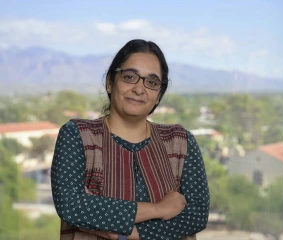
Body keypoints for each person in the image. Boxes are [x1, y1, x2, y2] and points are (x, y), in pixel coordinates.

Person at [51, 39, 210, 240]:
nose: (139, 89)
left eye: (152, 82)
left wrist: (129, 235)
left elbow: (196, 216)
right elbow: (72, 206)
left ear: (159, 94)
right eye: (130, 77)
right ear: (110, 82)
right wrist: (158, 209)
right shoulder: (77, 135)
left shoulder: (180, 142)